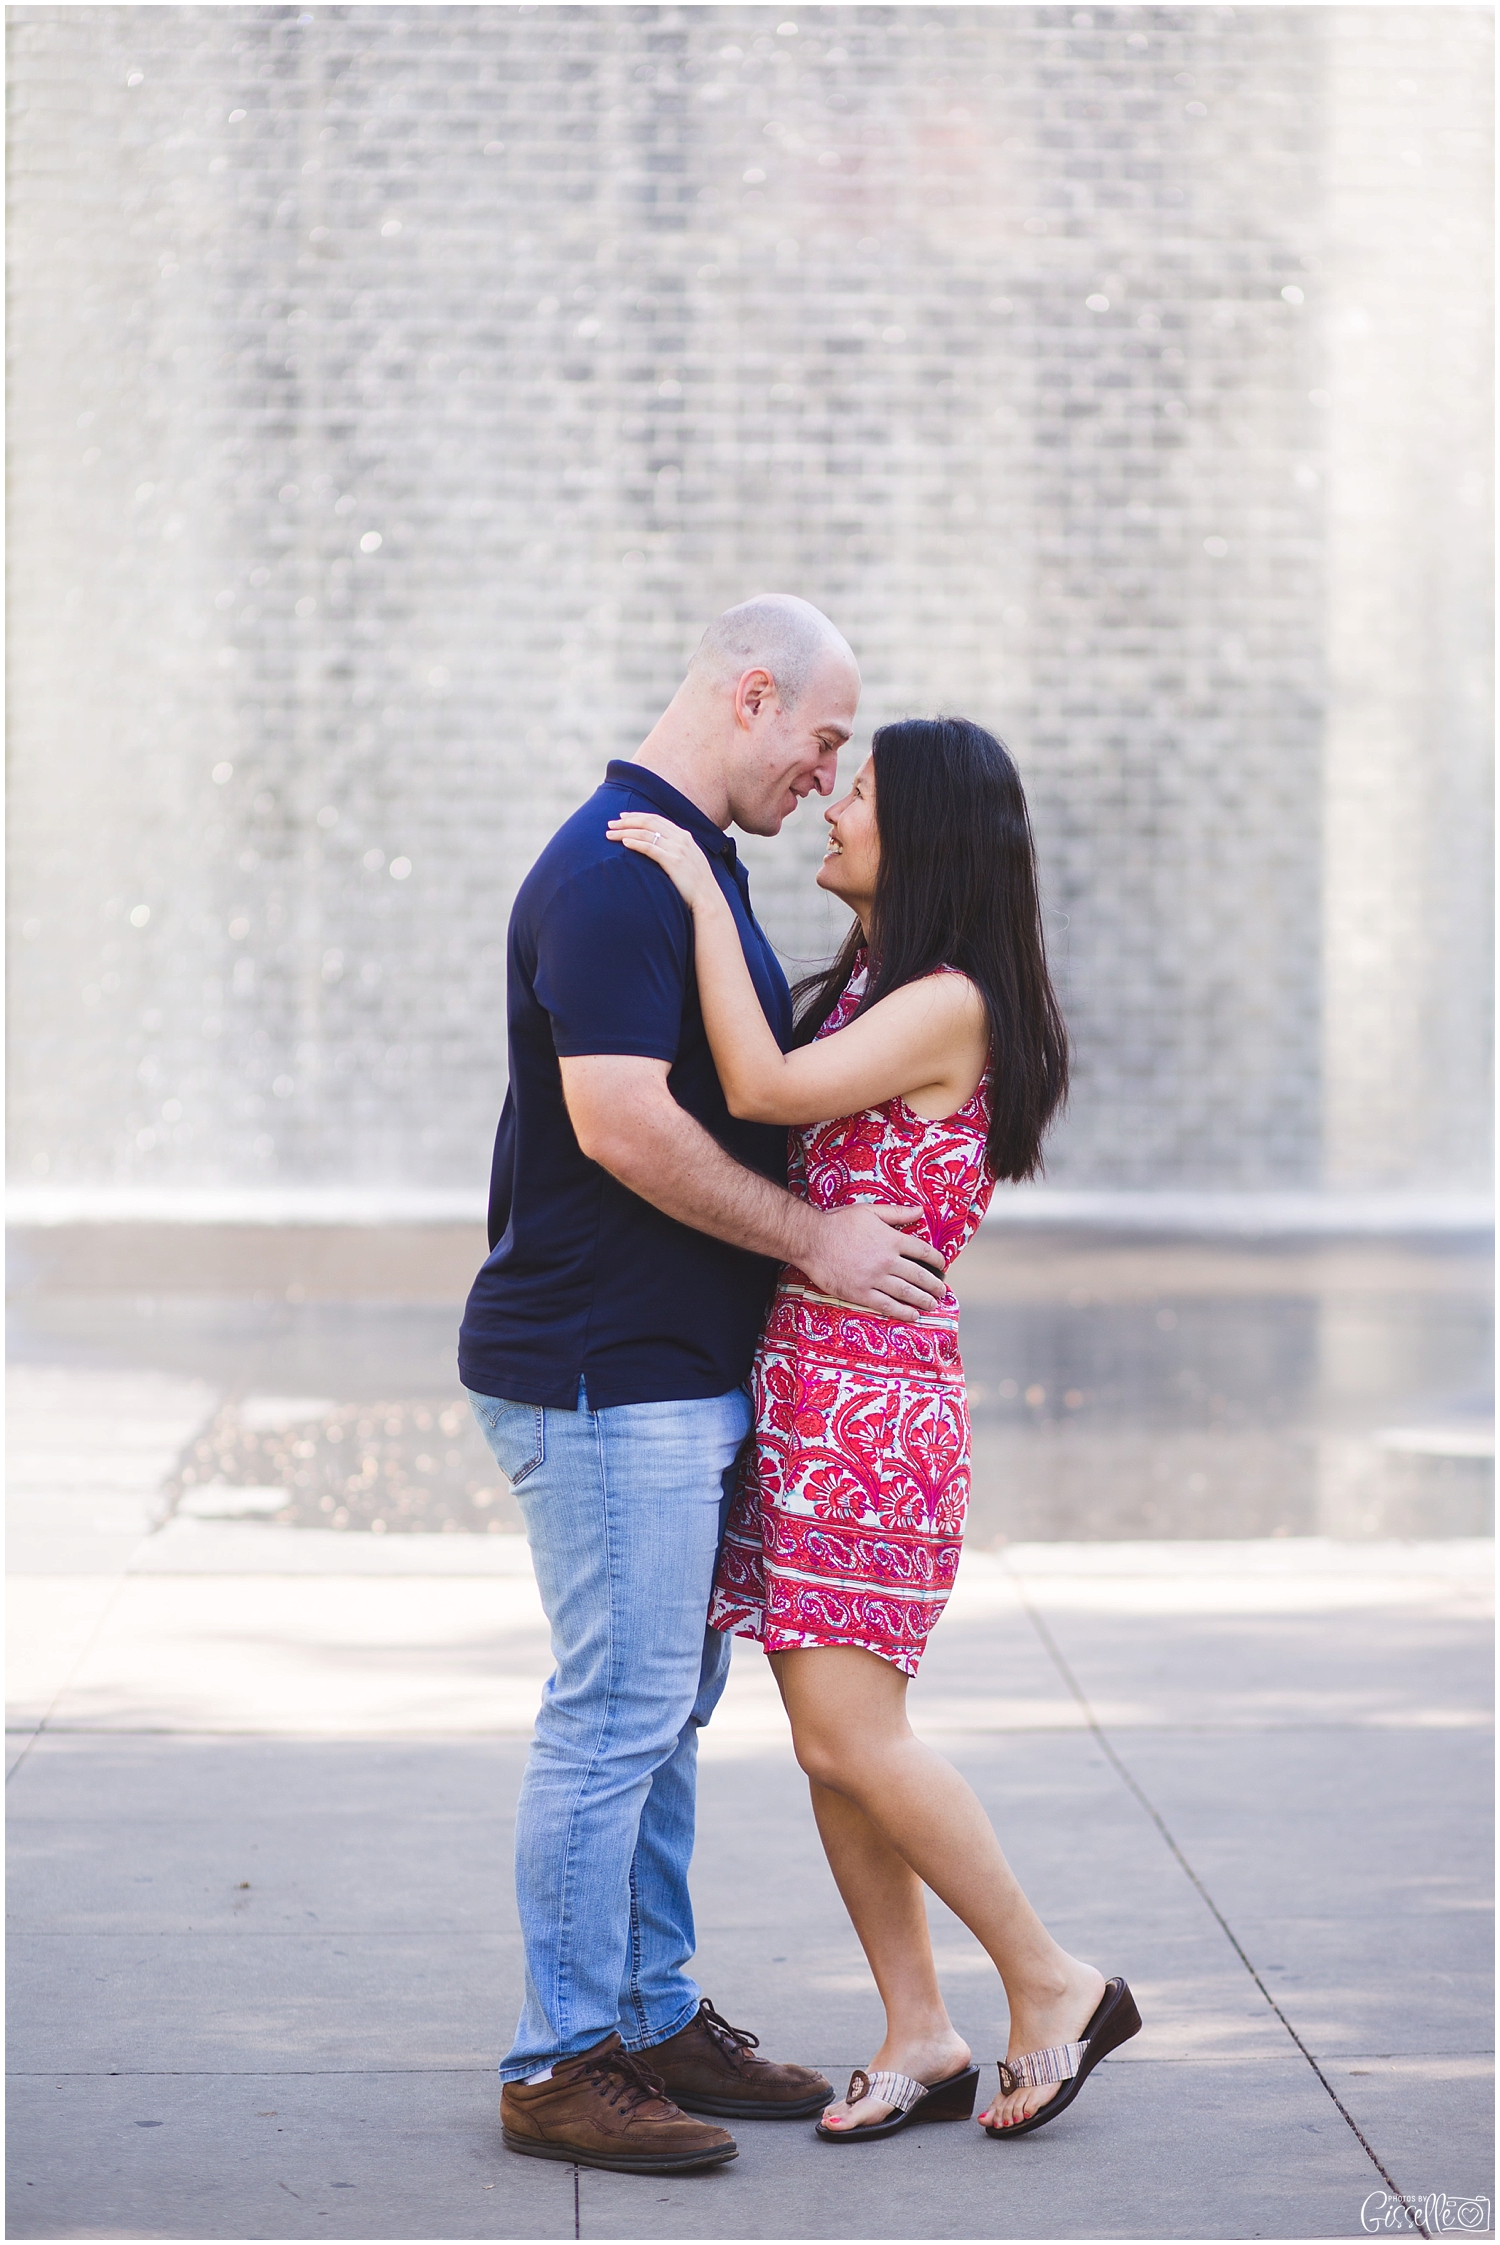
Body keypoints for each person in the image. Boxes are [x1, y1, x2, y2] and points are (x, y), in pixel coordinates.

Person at [458, 597, 953, 2177]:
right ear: (753, 691)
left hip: (664, 1370)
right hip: (607, 1372)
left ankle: (652, 2010)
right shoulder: (618, 869)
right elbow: (620, 1124)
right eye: (820, 738)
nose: (827, 774)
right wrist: (816, 1239)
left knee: (664, 1712)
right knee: (615, 1715)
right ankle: (560, 2058)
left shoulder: (687, 858)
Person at [608, 714, 1141, 2147]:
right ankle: (920, 2028)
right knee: (828, 1744)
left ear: (932, 837)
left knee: (861, 1735)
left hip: (870, 1404)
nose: (834, 807)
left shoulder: (950, 999)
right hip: (810, 1390)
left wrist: (691, 881)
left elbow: (763, 1093)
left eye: (862, 791)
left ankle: (1054, 1979)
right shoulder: (869, 984)